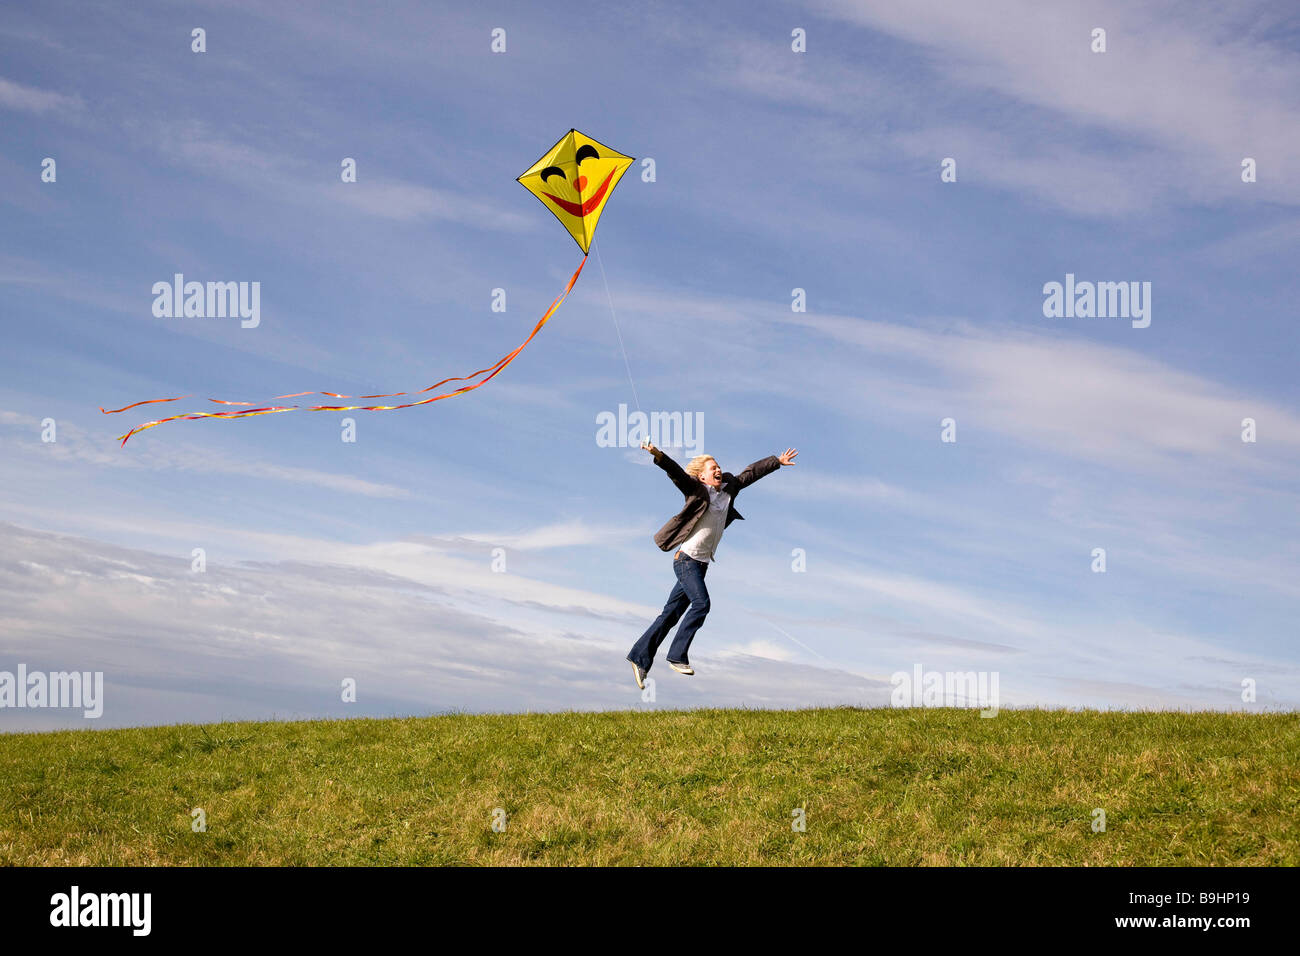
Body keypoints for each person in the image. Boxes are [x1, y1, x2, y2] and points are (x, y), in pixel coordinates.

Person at [627, 441, 798, 688]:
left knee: (670, 614)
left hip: (701, 564)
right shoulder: (696, 490)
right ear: (701, 476)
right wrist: (658, 455)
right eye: (712, 468)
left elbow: (750, 473)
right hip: (686, 561)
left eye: (718, 466)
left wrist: (777, 462)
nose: (718, 470)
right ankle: (677, 655)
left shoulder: (729, 489)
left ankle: (639, 658)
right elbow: (675, 472)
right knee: (702, 603)